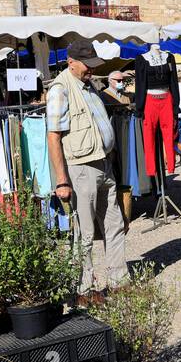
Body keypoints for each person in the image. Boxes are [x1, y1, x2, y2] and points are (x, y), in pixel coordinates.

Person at [46, 41, 128, 306]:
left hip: (103, 164)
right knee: (85, 232)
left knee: (115, 225)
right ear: (71, 62)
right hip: (81, 168)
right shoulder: (60, 90)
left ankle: (118, 282)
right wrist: (61, 181)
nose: (91, 70)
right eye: (86, 65)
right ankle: (84, 290)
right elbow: (53, 137)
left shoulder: (88, 85)